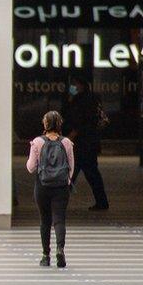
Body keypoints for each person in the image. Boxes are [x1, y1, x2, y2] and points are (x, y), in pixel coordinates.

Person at [26, 111, 75, 268]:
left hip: (42, 186)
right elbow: (71, 167)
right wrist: (65, 181)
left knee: (44, 221)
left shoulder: (37, 142)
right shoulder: (66, 142)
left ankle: (45, 255)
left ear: (45, 124)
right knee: (59, 220)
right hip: (61, 187)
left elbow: (31, 168)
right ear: (60, 124)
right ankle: (60, 249)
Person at [63, 77, 109, 210]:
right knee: (86, 172)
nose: (72, 87)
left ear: (82, 85)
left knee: (74, 172)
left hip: (85, 142)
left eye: (75, 84)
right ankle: (102, 201)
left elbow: (87, 121)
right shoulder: (74, 99)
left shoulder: (88, 100)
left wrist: (74, 133)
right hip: (83, 143)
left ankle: (59, 201)